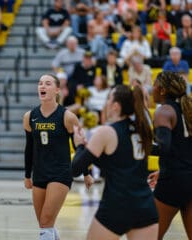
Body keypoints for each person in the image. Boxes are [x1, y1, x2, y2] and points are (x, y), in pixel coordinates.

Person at [72, 84, 158, 240]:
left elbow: (76, 168)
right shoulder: (143, 129)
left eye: (108, 99)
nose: (106, 104)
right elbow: (117, 163)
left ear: (116, 107)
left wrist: (79, 145)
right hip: (145, 207)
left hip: (116, 206)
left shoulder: (106, 132)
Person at [23, 74, 93, 240]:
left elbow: (80, 147)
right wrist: (27, 175)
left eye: (48, 84)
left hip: (60, 172)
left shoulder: (68, 116)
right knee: (44, 223)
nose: (43, 86)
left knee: (46, 220)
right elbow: (29, 148)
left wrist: (86, 172)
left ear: (57, 90)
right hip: (39, 173)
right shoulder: (29, 116)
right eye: (40, 83)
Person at [147, 71, 192, 240]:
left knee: (150, 236)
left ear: (162, 90)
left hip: (173, 181)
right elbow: (182, 148)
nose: (152, 89)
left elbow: (163, 147)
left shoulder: (163, 111)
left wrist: (137, 144)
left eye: (154, 85)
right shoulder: (187, 109)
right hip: (188, 177)